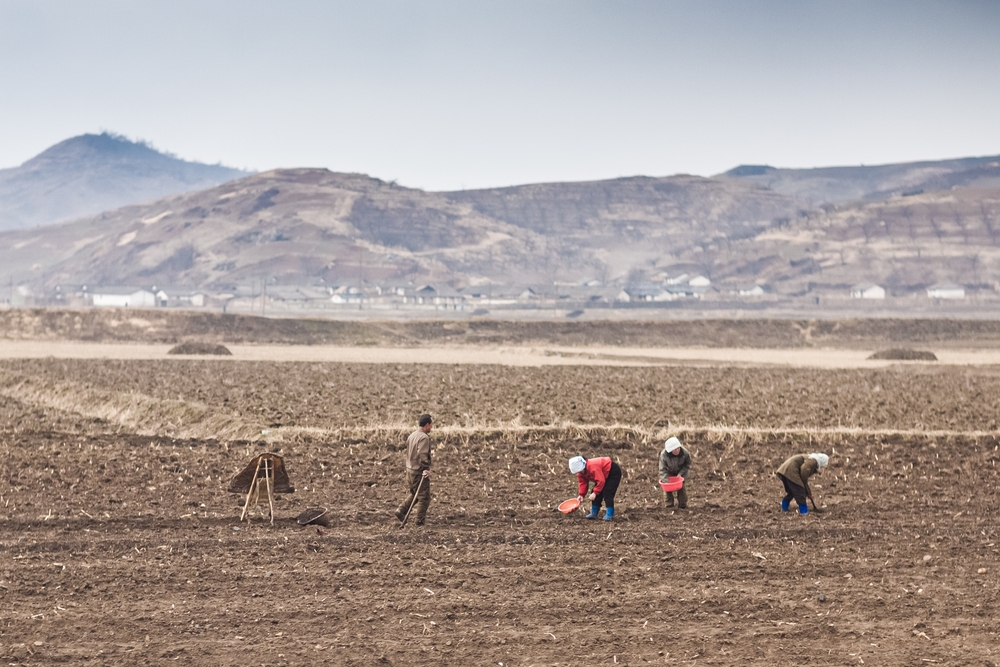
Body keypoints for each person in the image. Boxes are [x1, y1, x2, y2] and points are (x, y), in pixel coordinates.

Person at [395, 414, 433, 526]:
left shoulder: (412, 435)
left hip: (410, 470)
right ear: (426, 425)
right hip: (418, 472)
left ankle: (401, 511)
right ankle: (419, 523)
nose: (431, 427)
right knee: (424, 497)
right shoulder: (424, 438)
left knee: (415, 493)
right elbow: (422, 453)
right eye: (431, 425)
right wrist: (426, 468)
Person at [569, 455, 623, 521]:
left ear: (583, 467)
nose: (579, 473)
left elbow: (601, 481)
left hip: (612, 472)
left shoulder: (592, 467)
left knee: (607, 493)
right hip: (603, 475)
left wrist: (595, 492)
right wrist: (581, 495)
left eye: (580, 471)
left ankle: (609, 514)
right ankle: (594, 513)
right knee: (595, 493)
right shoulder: (581, 472)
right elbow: (583, 482)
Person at [658, 436, 692, 509]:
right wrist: (667, 481)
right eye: (674, 450)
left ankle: (683, 505)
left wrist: (680, 474)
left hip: (681, 472)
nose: (677, 451)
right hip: (668, 472)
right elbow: (662, 469)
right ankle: (669, 505)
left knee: (681, 487)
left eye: (678, 448)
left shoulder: (685, 453)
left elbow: (687, 465)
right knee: (667, 489)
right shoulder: (664, 455)